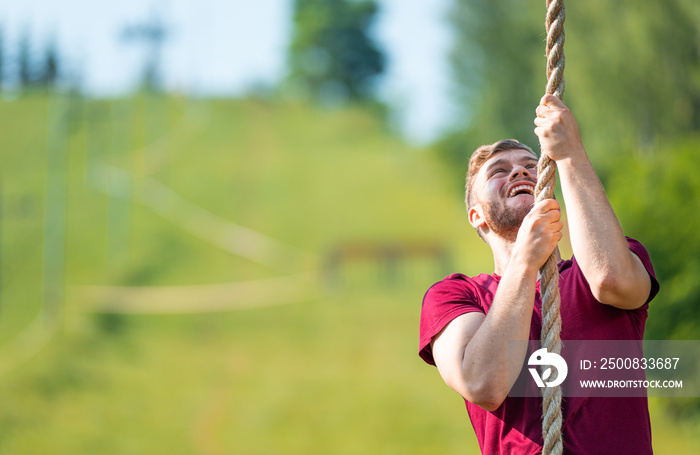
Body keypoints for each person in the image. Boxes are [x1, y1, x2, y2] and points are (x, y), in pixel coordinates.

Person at [418, 95, 660, 454]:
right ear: (476, 216)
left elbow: (613, 280)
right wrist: (525, 262)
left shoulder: (612, 260)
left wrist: (570, 154)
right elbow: (484, 383)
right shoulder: (455, 296)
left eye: (533, 166)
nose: (519, 172)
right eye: (499, 171)